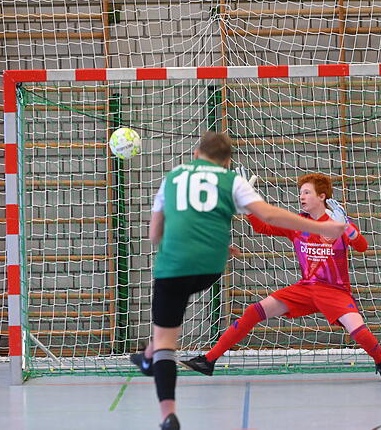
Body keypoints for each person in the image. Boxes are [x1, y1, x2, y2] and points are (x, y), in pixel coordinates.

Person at [130, 132, 347, 430]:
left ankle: (168, 413)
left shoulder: (174, 177)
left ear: (196, 154)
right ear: (227, 161)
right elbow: (271, 215)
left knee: (167, 341)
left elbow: (155, 234)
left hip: (175, 267)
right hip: (210, 268)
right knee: (167, 327)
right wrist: (322, 227)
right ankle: (147, 357)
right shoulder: (232, 181)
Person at [180, 171, 381, 383]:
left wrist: (347, 228)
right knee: (253, 311)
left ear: (322, 196)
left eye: (307, 192)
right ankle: (208, 361)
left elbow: (362, 246)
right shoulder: (298, 224)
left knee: (357, 330)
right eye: (300, 192)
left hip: (334, 291)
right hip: (305, 288)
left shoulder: (338, 222)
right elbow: (262, 227)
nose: (301, 196)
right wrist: (247, 204)